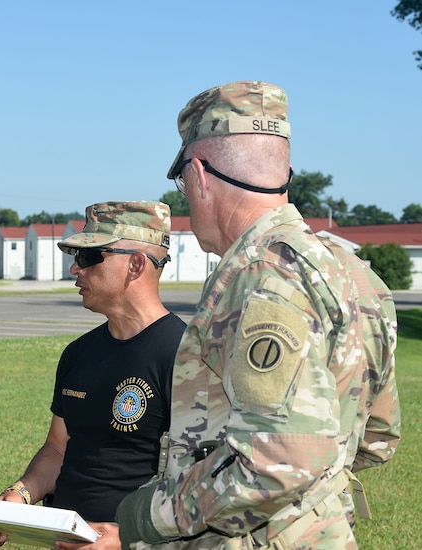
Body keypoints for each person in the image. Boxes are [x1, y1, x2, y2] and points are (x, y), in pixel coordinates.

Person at [115, 81, 401, 549]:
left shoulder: (258, 281)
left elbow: (275, 463)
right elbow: (379, 437)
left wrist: (149, 517)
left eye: (182, 182)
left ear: (200, 174)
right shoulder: (354, 273)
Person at [0, 201, 187, 549]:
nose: (75, 268)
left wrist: (125, 538)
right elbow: (58, 448)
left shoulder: (186, 357)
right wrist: (21, 494)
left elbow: (200, 483)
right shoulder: (78, 354)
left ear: (135, 264)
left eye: (90, 257)